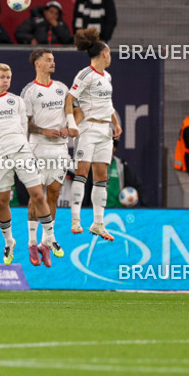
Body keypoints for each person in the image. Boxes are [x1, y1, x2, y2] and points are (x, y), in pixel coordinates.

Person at [0, 64, 57, 264]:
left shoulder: (17, 101)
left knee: (37, 194)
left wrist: (25, 146)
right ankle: (9, 241)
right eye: (2, 77)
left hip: (21, 151)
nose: (6, 80)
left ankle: (50, 238)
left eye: (9, 77)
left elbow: (24, 126)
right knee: (1, 201)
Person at [65, 30, 122, 239]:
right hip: (88, 128)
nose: (111, 56)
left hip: (104, 130)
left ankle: (98, 223)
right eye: (110, 52)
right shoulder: (85, 74)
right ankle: (76, 220)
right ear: (104, 53)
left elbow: (108, 104)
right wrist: (72, 124)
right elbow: (70, 99)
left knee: (101, 178)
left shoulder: (107, 76)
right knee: (82, 173)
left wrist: (115, 123)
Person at [21, 49, 74, 261]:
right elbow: (24, 122)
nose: (53, 62)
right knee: (37, 196)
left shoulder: (62, 88)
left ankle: (46, 241)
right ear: (37, 63)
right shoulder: (30, 91)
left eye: (53, 59)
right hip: (38, 148)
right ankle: (32, 242)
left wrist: (69, 127)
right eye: (48, 60)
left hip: (60, 148)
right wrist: (43, 130)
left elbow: (74, 111)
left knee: (53, 194)